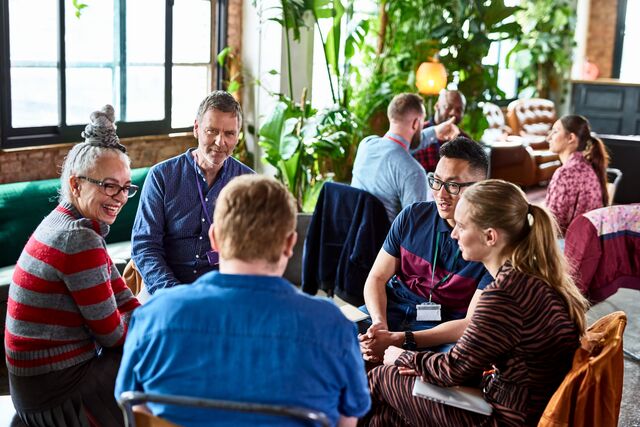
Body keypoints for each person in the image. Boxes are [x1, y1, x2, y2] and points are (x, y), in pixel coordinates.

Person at [116, 175, 371, 427]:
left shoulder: (152, 316)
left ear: (214, 239)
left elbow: (134, 406)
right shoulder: (333, 325)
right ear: (290, 243)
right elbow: (347, 419)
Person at [367, 180, 588, 426]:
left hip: (505, 418)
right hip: (523, 404)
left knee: (381, 376)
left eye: (461, 226)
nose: (453, 233)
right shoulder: (532, 277)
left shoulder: (503, 296)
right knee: (389, 409)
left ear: (490, 236)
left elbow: (452, 370)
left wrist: (399, 355)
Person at [5, 105, 141, 426]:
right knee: (150, 357)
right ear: (76, 185)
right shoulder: (77, 238)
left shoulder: (69, 222)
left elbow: (121, 294)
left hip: (36, 389)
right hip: (56, 397)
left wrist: (143, 314)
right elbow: (112, 336)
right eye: (109, 185)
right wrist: (152, 327)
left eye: (125, 187)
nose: (120, 197)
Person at [359, 137, 492, 361]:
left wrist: (400, 340)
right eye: (436, 181)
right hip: (392, 307)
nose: (441, 194)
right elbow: (377, 277)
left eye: (452, 185)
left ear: (479, 188)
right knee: (332, 332)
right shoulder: (413, 216)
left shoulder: (490, 242)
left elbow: (470, 323)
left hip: (443, 327)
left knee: (458, 362)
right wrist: (379, 324)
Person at [131, 90, 254, 295]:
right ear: (196, 128)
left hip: (223, 290)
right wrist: (173, 292)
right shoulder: (161, 176)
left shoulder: (249, 183)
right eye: (212, 131)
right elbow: (145, 246)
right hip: (165, 287)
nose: (219, 142)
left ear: (238, 135)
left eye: (229, 134)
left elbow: (253, 250)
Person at [352, 93, 459, 222]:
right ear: (415, 123)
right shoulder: (414, 172)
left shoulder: (366, 144)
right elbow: (415, 228)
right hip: (386, 240)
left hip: (354, 233)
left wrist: (435, 132)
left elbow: (396, 148)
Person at [545, 114, 609, 235]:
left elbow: (554, 224)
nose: (549, 138)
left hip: (568, 246)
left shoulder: (565, 173)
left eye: (555, 131)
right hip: (587, 244)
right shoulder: (588, 167)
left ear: (570, 138)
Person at [412, 89, 468, 173]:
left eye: (459, 110)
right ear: (437, 106)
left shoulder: (465, 140)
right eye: (448, 107)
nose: (454, 113)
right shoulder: (417, 131)